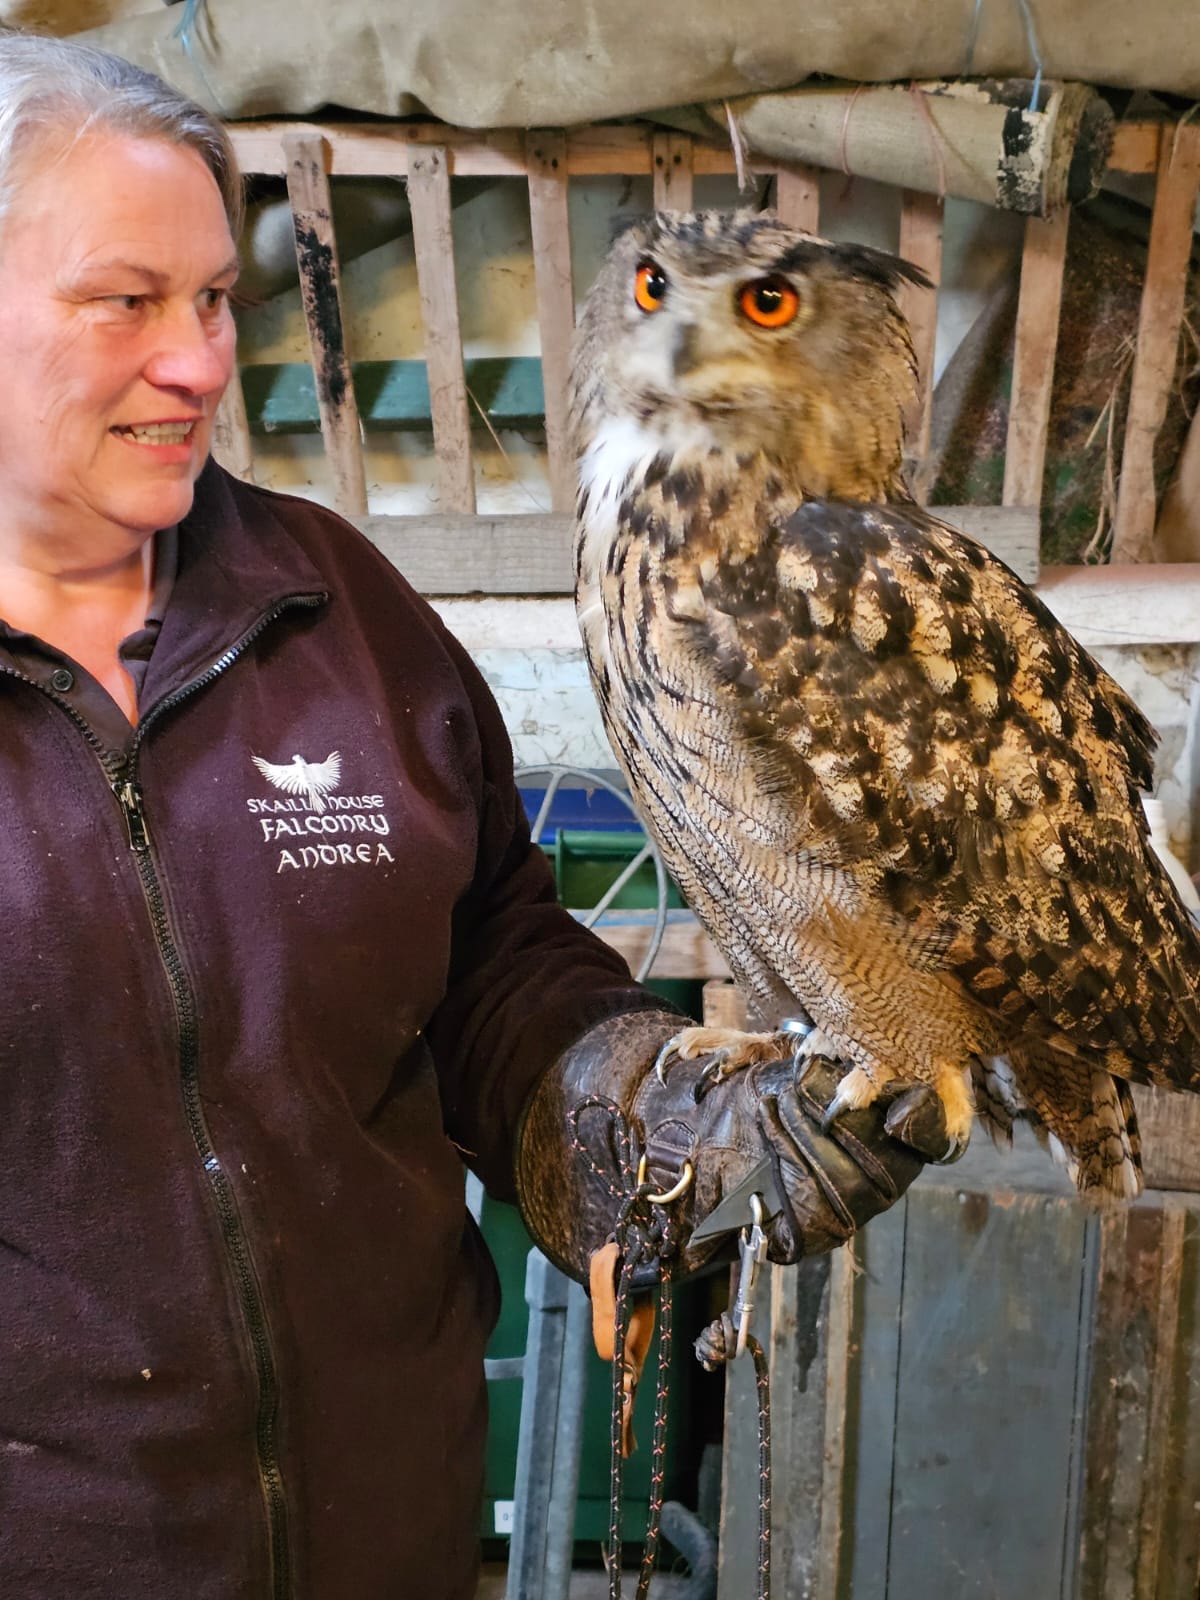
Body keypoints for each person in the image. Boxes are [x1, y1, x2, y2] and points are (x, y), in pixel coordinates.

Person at [0, 32, 953, 1600]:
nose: (198, 361)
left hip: (392, 1541)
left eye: (213, 298)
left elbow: (488, 958)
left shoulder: (332, 605)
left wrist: (639, 1120)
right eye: (125, 302)